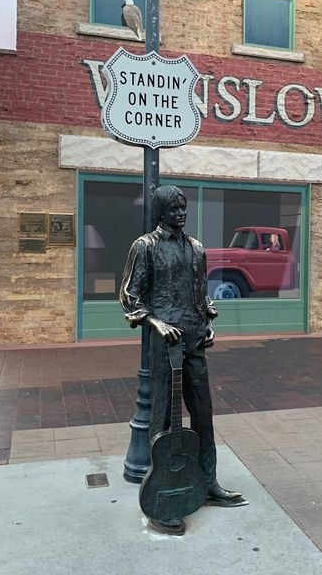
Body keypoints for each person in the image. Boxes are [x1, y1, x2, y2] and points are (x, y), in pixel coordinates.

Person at [120, 185, 245, 536]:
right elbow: (130, 295)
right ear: (160, 212)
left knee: (203, 415)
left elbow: (200, 295)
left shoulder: (196, 248)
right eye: (174, 208)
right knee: (162, 418)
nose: (181, 213)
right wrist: (156, 323)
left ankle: (208, 483)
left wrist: (209, 322)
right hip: (165, 345)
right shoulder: (144, 247)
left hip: (194, 341)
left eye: (183, 207)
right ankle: (161, 496)